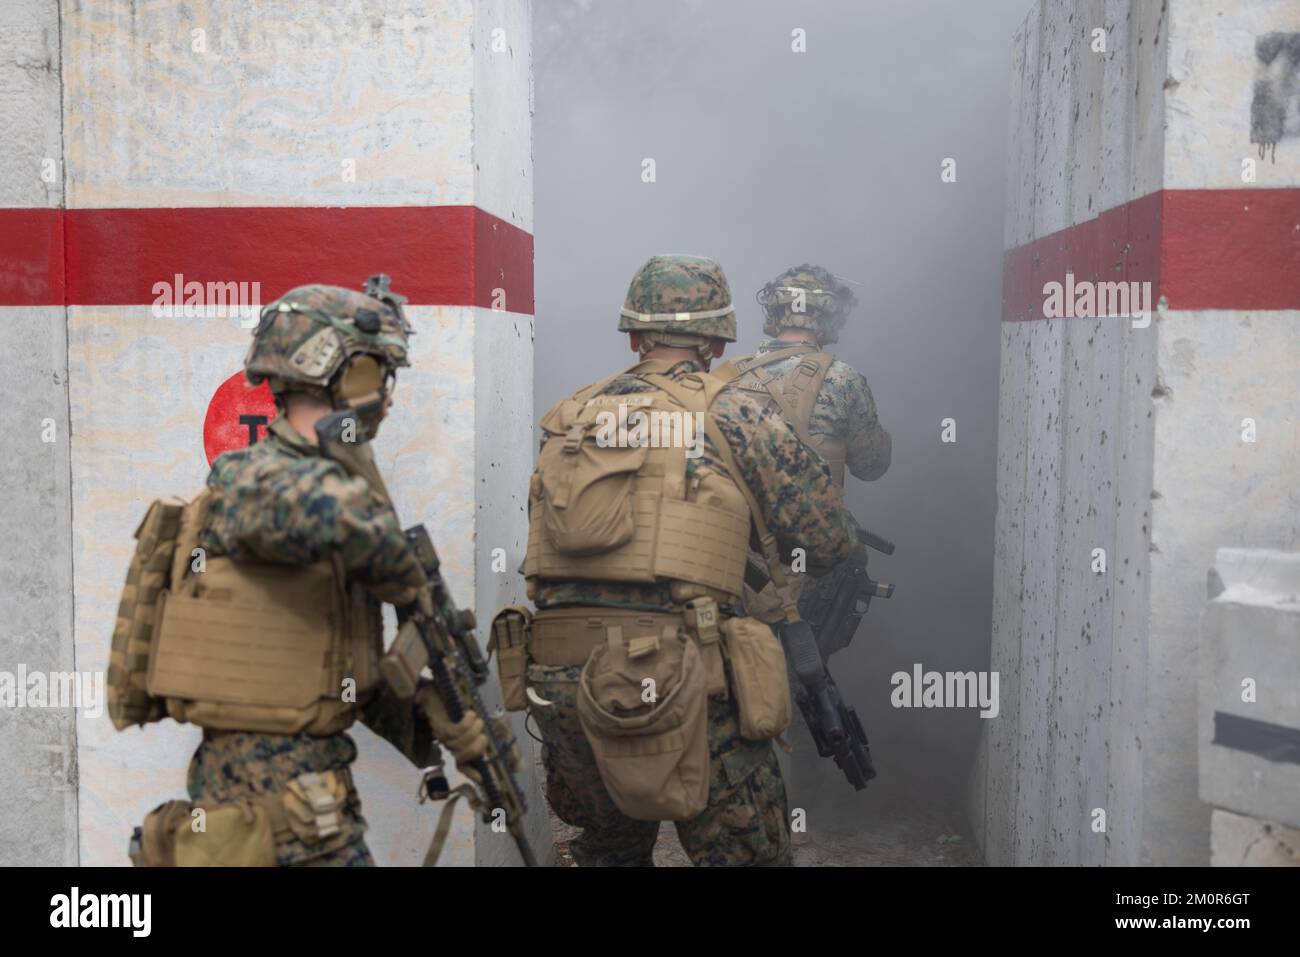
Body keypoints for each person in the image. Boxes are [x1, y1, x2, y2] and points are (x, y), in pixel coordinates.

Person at [112, 277, 486, 867]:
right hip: (266, 811)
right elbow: (363, 533)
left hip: (307, 802)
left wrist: (432, 716)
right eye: (380, 375)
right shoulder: (254, 481)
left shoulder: (322, 487)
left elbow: (337, 660)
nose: (387, 398)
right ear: (350, 375)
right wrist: (403, 567)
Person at [512, 254, 863, 867]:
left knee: (611, 853)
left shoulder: (568, 415)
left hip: (565, 678)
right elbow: (826, 537)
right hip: (686, 675)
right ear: (718, 337)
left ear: (632, 335)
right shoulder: (734, 412)